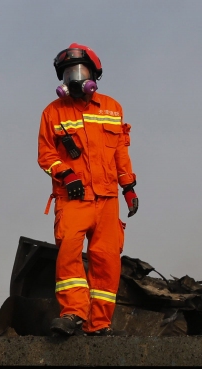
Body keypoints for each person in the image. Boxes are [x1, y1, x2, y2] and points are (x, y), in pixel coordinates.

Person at [38, 43, 139, 337]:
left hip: (107, 199)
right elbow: (45, 155)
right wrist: (66, 174)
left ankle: (99, 324)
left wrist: (129, 187)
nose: (75, 77)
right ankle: (72, 315)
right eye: (69, 72)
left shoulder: (112, 108)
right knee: (69, 253)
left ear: (94, 74)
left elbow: (120, 152)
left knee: (107, 260)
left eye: (80, 71)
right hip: (73, 198)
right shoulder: (52, 113)